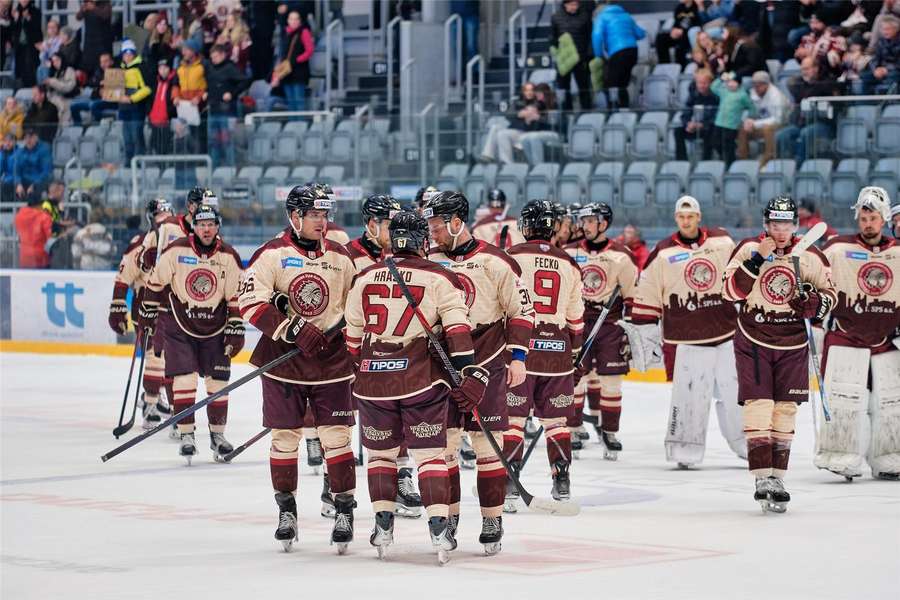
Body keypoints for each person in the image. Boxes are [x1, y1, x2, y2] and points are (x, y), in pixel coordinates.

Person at [345, 209, 485, 564]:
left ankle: (382, 526)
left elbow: (352, 337)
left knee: (380, 456)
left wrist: (368, 367)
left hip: (373, 381)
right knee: (429, 456)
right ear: (423, 241)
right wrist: (468, 372)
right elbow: (457, 331)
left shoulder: (365, 276)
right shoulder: (440, 277)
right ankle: (439, 527)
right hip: (420, 381)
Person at [238, 185, 358, 554]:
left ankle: (343, 511)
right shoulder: (272, 254)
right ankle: (286, 511)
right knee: (285, 438)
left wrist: (348, 338)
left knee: (336, 437)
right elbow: (248, 300)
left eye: (326, 215)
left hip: (331, 362)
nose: (323, 222)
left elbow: (355, 306)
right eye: (315, 215)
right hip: (284, 362)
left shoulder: (341, 256)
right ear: (295, 217)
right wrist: (290, 329)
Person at [423, 190, 534, 554]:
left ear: (457, 222)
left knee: (488, 446)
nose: (432, 231)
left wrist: (518, 357)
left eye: (437, 224)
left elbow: (520, 311)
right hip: (441, 367)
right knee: (447, 447)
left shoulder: (496, 262)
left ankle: (492, 517)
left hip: (486, 364)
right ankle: (451, 517)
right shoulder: (428, 262)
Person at [723, 195, 837, 513]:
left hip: (793, 342)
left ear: (794, 225)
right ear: (766, 225)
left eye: (786, 224)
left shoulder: (811, 256)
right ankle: (763, 477)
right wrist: (758, 260)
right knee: (759, 406)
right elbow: (730, 291)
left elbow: (832, 295)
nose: (781, 231)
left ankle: (778, 477)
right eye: (775, 224)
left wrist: (814, 303)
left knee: (785, 409)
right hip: (754, 338)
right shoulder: (748, 249)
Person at [627, 196, 745, 468]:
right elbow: (647, 293)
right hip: (688, 340)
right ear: (675, 218)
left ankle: (749, 444)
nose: (686, 220)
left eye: (690, 216)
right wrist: (645, 331)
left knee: (738, 394)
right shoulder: (663, 252)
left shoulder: (722, 242)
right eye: (681, 216)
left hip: (727, 333)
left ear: (699, 217)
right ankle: (684, 450)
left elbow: (741, 277)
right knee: (690, 396)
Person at [141, 203, 243, 464]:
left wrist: (236, 324)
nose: (206, 229)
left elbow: (234, 295)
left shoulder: (229, 255)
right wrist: (149, 313)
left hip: (216, 327)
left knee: (218, 383)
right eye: (201, 224)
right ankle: (187, 434)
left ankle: (218, 435)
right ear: (194, 227)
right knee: (184, 381)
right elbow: (155, 283)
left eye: (211, 224)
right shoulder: (176, 251)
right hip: (180, 325)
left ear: (217, 226)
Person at [504, 200, 584, 509]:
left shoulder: (510, 258)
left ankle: (510, 480)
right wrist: (573, 347)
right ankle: (561, 480)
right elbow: (576, 317)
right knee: (557, 422)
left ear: (526, 226)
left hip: (519, 351)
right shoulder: (568, 263)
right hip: (557, 351)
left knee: (513, 421)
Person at [817, 187, 900, 481]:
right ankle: (840, 455)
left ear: (884, 218)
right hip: (846, 337)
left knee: (891, 403)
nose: (867, 223)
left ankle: (890, 456)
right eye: (863, 217)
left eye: (873, 217)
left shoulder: (898, 252)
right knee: (844, 401)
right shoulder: (837, 248)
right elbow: (813, 274)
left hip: (887, 340)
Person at [565, 203, 638, 460]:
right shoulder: (569, 253)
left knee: (611, 382)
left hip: (609, 324)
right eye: (583, 221)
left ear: (603, 224)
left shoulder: (621, 256)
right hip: (577, 322)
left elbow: (632, 294)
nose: (584, 225)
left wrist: (629, 328)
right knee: (575, 379)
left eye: (590, 221)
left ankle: (609, 432)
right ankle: (573, 428)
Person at [108, 198, 175, 429]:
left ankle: (156, 400)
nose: (164, 220)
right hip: (146, 308)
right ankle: (150, 405)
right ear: (151, 219)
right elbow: (123, 276)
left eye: (167, 215)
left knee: (171, 359)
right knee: (155, 357)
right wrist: (118, 307)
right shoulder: (141, 243)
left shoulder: (179, 241)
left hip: (172, 310)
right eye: (159, 216)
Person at [776, 57, 841, 163]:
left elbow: (831, 100)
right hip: (802, 123)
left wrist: (811, 86)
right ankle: (786, 164)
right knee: (781, 135)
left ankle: (800, 164)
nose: (803, 72)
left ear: (816, 68)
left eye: (806, 69)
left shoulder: (828, 82)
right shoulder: (799, 83)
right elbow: (794, 88)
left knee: (806, 133)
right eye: (802, 70)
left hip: (824, 123)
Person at [480, 82, 552, 165]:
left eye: (531, 90)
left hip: (524, 131)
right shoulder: (519, 102)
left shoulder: (538, 103)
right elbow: (509, 115)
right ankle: (488, 156)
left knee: (502, 134)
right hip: (515, 129)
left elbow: (530, 118)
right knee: (495, 127)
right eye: (526, 90)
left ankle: (507, 163)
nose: (529, 92)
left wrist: (522, 116)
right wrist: (518, 114)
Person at [592, 2, 645, 108]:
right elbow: (641, 34)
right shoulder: (626, 15)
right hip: (632, 51)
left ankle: (613, 111)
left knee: (611, 85)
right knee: (622, 85)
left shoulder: (602, 17)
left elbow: (597, 36)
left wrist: (598, 55)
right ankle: (624, 109)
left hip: (618, 52)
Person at [205, 43, 249, 167]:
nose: (214, 59)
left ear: (223, 55)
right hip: (213, 110)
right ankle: (214, 169)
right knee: (214, 142)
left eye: (216, 57)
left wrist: (232, 93)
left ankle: (231, 168)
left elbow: (244, 81)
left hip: (227, 111)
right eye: (212, 57)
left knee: (227, 142)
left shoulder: (230, 67)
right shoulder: (210, 68)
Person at [737, 71, 790, 166]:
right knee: (743, 129)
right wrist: (747, 121)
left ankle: (768, 158)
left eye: (759, 86)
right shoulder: (753, 92)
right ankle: (743, 160)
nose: (756, 89)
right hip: (761, 122)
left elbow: (778, 119)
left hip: (782, 124)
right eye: (754, 85)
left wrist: (755, 123)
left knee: (767, 128)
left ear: (766, 84)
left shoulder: (776, 96)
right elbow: (749, 109)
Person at [550, 0, 594, 112]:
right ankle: (567, 112)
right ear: (565, 4)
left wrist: (588, 55)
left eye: (576, 4)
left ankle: (586, 111)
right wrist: (554, 50)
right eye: (572, 4)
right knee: (564, 87)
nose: (575, 7)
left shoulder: (585, 17)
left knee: (584, 87)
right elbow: (553, 37)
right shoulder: (556, 17)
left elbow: (590, 36)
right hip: (564, 59)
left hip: (580, 57)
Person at [271, 11, 314, 112]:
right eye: (291, 19)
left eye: (296, 19)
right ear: (288, 21)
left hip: (299, 72)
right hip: (287, 73)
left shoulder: (304, 32)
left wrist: (296, 60)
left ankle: (300, 126)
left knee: (299, 103)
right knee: (290, 104)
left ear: (300, 21)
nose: (294, 21)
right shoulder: (285, 33)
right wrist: (276, 75)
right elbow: (281, 55)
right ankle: (292, 126)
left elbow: (309, 51)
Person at [674, 68, 719, 161]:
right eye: (699, 83)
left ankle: (706, 160)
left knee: (710, 131)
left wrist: (704, 124)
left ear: (710, 83)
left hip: (711, 127)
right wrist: (688, 124)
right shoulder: (693, 96)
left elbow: (717, 116)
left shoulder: (716, 97)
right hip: (696, 127)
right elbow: (685, 113)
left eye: (705, 83)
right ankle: (682, 160)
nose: (702, 86)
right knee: (678, 131)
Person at [117, 39, 152, 161]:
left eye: (130, 54)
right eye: (125, 54)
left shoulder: (140, 68)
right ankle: (128, 161)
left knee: (136, 135)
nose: (127, 57)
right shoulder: (120, 69)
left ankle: (138, 162)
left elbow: (147, 89)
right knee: (126, 137)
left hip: (136, 108)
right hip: (123, 108)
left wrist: (131, 98)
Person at [710, 71, 754, 165]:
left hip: (732, 125)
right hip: (719, 123)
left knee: (728, 146)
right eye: (729, 81)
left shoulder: (742, 95)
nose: (731, 84)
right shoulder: (724, 91)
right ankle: (724, 158)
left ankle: (730, 164)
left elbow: (752, 107)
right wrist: (721, 79)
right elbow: (713, 87)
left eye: (734, 82)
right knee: (716, 143)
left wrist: (750, 118)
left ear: (739, 83)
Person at [173, 38, 207, 154]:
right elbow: (175, 84)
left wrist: (198, 97)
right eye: (183, 50)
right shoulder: (180, 66)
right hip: (183, 107)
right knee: (181, 136)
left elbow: (207, 86)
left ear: (194, 51)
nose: (184, 53)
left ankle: (199, 161)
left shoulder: (203, 65)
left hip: (199, 108)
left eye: (187, 50)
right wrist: (175, 97)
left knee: (197, 135)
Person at [70, 52, 117, 125]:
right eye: (101, 62)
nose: (103, 64)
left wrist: (100, 89)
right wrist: (99, 86)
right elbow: (90, 83)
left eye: (105, 61)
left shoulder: (116, 72)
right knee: (74, 106)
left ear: (111, 62)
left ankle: (103, 122)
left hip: (110, 102)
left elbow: (114, 94)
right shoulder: (98, 72)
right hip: (96, 99)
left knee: (93, 106)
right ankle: (78, 128)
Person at [148, 58, 180, 155]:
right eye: (160, 68)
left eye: (165, 68)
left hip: (167, 120)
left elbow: (175, 100)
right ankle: (159, 166)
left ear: (169, 69)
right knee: (156, 145)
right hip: (154, 120)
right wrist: (149, 113)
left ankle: (166, 166)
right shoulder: (155, 82)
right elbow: (150, 99)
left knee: (166, 145)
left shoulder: (174, 82)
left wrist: (170, 113)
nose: (163, 70)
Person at [862, 14, 900, 93]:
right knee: (865, 76)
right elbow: (874, 59)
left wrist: (886, 69)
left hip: (895, 70)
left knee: (893, 76)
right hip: (881, 70)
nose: (885, 32)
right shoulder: (880, 42)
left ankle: (891, 103)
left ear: (896, 29)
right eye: (883, 29)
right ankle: (865, 104)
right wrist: (876, 69)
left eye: (888, 29)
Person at [656, 0, 701, 67]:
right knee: (661, 38)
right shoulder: (679, 8)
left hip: (689, 34)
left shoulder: (696, 6)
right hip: (678, 33)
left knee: (681, 44)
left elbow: (698, 24)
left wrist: (684, 31)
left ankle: (681, 67)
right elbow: (676, 23)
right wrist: (673, 31)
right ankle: (664, 65)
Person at [14, 191, 52, 267]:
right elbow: (51, 236)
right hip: (41, 258)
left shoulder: (19, 216)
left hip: (24, 256)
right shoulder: (44, 217)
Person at [77, 0, 114, 75]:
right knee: (88, 66)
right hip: (89, 42)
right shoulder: (86, 4)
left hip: (103, 42)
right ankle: (91, 83)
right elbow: (78, 17)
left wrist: (94, 8)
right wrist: (82, 10)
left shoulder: (106, 4)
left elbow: (105, 15)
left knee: (105, 66)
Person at [13, 128, 51, 199]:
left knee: (36, 190)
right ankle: (10, 209)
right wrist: (18, 184)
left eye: (31, 137)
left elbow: (46, 171)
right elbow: (16, 170)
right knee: (8, 186)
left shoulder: (44, 150)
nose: (28, 140)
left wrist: (34, 184)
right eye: (26, 138)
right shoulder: (20, 152)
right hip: (24, 182)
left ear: (36, 138)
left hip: (39, 181)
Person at [11, 0, 42, 88]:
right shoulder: (15, 11)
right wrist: (16, 20)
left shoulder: (35, 11)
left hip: (31, 45)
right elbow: (12, 30)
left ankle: (31, 87)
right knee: (19, 69)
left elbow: (37, 29)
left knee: (30, 68)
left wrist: (29, 18)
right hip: (19, 46)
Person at [43, 53, 78, 126]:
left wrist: (52, 82)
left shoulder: (69, 70)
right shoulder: (54, 72)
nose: (55, 63)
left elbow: (68, 87)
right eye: (53, 61)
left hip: (67, 100)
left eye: (57, 60)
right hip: (54, 101)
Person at [36, 18, 61, 83]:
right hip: (47, 63)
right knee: (40, 67)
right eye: (49, 28)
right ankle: (41, 89)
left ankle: (46, 88)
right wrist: (43, 50)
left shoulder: (60, 40)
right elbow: (41, 57)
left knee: (45, 67)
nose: (51, 29)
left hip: (56, 62)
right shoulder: (46, 41)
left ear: (58, 29)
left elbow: (56, 54)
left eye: (54, 27)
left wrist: (47, 49)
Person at [0, 134, 16, 201]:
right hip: (5, 180)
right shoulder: (2, 154)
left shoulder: (19, 153)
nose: (7, 143)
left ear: (14, 142)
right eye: (5, 141)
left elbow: (17, 172)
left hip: (15, 180)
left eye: (10, 141)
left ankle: (6, 209)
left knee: (4, 185)